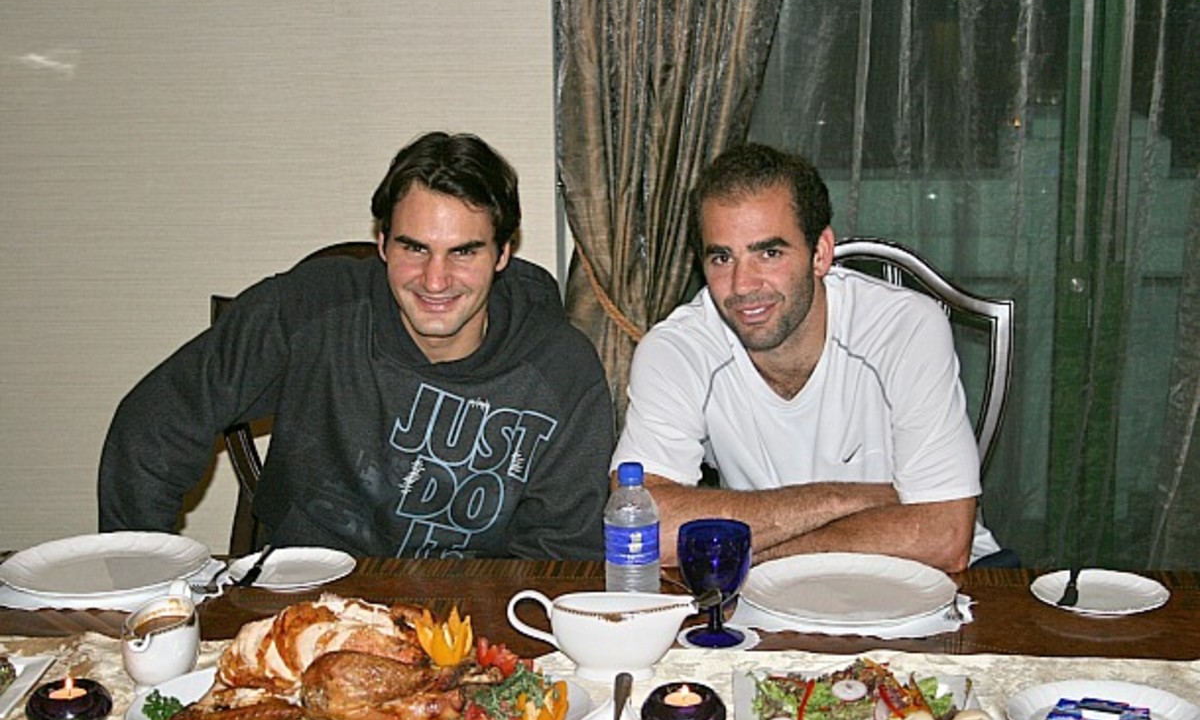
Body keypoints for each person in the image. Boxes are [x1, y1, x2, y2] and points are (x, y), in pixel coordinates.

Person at [100, 131, 614, 559]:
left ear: (503, 253)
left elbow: (561, 557)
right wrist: (147, 594)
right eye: (414, 248)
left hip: (467, 626)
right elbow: (155, 425)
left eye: (463, 252)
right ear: (382, 243)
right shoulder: (311, 311)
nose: (436, 280)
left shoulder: (561, 370)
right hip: (304, 610)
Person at [612, 143, 1000, 573]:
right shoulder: (676, 350)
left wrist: (745, 550)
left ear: (820, 253)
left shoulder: (904, 329)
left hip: (927, 586)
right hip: (769, 600)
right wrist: (849, 499)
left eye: (769, 253)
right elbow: (639, 530)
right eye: (722, 257)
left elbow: (943, 540)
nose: (742, 285)